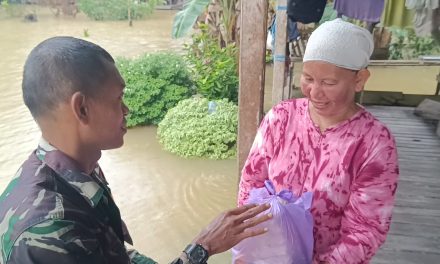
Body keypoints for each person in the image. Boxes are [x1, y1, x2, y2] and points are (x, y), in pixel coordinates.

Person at [0, 36, 272, 264]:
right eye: (118, 99)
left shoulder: (79, 169)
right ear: (82, 108)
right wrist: (202, 247)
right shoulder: (47, 235)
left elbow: (117, 253)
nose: (127, 110)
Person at [238, 18, 399, 263]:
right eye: (308, 78)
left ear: (359, 79)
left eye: (328, 82)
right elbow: (251, 183)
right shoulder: (281, 118)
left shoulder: (374, 143)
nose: (314, 92)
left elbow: (366, 230)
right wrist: (251, 244)